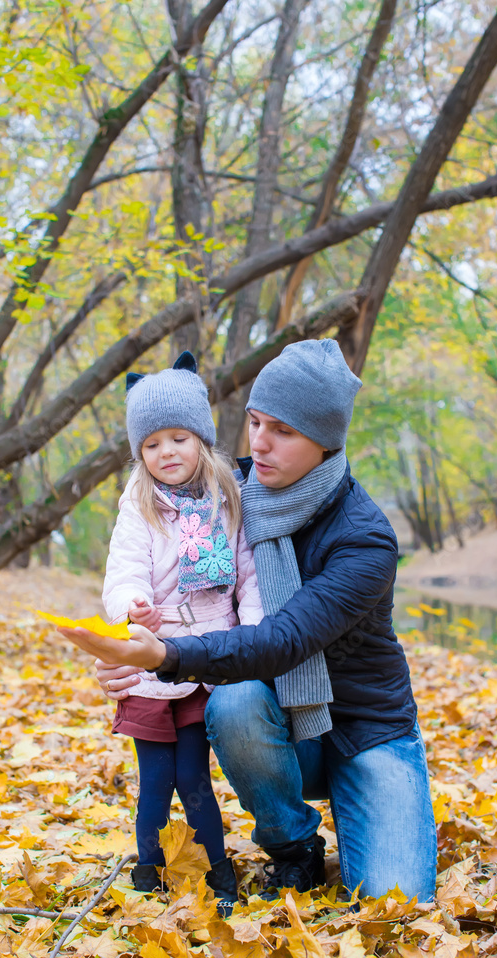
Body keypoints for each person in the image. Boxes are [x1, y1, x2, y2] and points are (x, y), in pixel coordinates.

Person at [60, 340, 437, 903]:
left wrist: (163, 657)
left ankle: (369, 797)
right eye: (256, 422)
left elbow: (282, 639)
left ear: (326, 440)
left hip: (365, 730)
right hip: (276, 725)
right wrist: (120, 649)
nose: (258, 442)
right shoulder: (220, 494)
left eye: (282, 431)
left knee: (395, 902)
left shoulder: (364, 537)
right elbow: (146, 562)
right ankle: (293, 846)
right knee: (233, 702)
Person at [100, 350, 262, 914]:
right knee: (155, 780)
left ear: (201, 439)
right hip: (153, 657)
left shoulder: (228, 497)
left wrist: (259, 633)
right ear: (139, 453)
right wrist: (132, 606)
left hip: (205, 662)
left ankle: (216, 869)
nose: (166, 452)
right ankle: (148, 867)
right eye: (152, 444)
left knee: (195, 776)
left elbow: (247, 573)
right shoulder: (138, 505)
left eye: (178, 438)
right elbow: (123, 570)